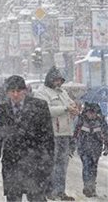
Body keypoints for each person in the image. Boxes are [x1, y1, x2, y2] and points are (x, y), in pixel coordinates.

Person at [0, 75, 55, 202]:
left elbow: (48, 138)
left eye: (18, 91)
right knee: (13, 198)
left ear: (24, 90)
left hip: (35, 163)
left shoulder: (39, 106)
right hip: (11, 164)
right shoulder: (1, 111)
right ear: (7, 92)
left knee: (37, 197)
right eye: (12, 91)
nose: (15, 95)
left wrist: (48, 163)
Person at [34, 66, 80, 201]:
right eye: (56, 80)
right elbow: (45, 110)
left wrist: (74, 107)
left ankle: (60, 191)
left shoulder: (62, 92)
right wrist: (66, 108)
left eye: (60, 80)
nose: (58, 83)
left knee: (62, 165)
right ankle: (49, 191)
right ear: (50, 79)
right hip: (51, 134)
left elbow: (70, 104)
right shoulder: (42, 92)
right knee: (51, 164)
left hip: (65, 133)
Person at [73, 102, 108, 198]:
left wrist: (107, 146)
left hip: (96, 149)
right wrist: (72, 145)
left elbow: (106, 134)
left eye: (93, 113)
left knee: (93, 168)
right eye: (89, 112)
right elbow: (75, 133)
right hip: (83, 148)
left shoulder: (101, 121)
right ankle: (87, 186)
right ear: (86, 112)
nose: (91, 115)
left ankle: (92, 186)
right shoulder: (81, 120)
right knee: (86, 166)